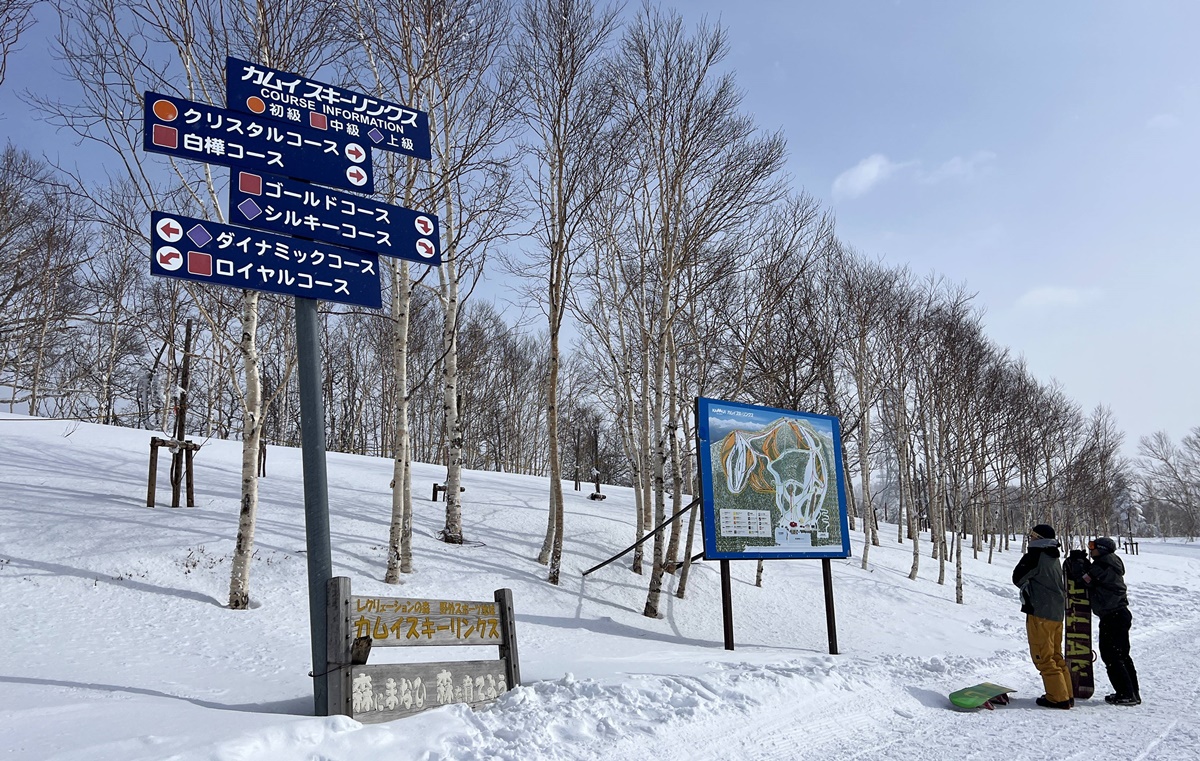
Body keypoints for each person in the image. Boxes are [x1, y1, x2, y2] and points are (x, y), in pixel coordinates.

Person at [1012, 523, 1072, 709]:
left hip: (1041, 612)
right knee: (1055, 655)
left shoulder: (1035, 555)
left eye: (1032, 535)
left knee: (1043, 657)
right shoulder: (1053, 554)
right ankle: (1066, 694)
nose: (1030, 538)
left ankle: (1057, 697)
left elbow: (1017, 577)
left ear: (1039, 538)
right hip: (1056, 612)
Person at [1084, 536, 1141, 706]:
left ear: (1101, 548)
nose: (1090, 549)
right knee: (1122, 654)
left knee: (1112, 655)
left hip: (1113, 616)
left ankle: (1126, 694)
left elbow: (1084, 580)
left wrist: (1079, 567)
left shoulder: (1102, 565)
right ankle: (1132, 693)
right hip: (1119, 614)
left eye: (1093, 546)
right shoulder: (1110, 563)